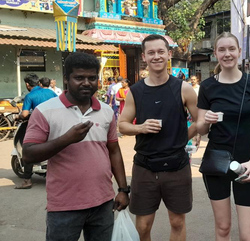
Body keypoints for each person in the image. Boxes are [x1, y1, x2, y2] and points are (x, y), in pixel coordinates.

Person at [22, 52, 129, 240]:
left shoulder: (105, 111)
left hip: (103, 203)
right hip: (64, 206)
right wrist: (66, 139)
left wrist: (122, 189)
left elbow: (114, 151)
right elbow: (28, 155)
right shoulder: (45, 111)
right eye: (79, 78)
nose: (86, 83)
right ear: (66, 79)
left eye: (92, 78)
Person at [118, 34, 199, 241]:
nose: (156, 56)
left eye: (161, 52)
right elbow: (122, 125)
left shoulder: (184, 88)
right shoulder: (135, 91)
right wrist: (142, 127)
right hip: (145, 167)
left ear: (169, 54)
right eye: (151, 53)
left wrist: (182, 139)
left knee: (177, 222)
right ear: (144, 56)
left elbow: (201, 121)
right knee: (143, 225)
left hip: (177, 166)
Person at [196, 32, 250, 241]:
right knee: (223, 228)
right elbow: (201, 129)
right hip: (217, 163)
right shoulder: (208, 86)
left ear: (239, 52)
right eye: (222, 50)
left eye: (231, 49)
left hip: (246, 163)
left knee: (248, 236)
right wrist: (206, 120)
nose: (227, 54)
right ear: (216, 53)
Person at [15, 73, 57, 189]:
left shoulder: (30, 96)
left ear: (27, 84)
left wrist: (17, 117)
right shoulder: (51, 92)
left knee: (27, 149)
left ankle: (27, 181)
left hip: (39, 127)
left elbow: (24, 114)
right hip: (55, 125)